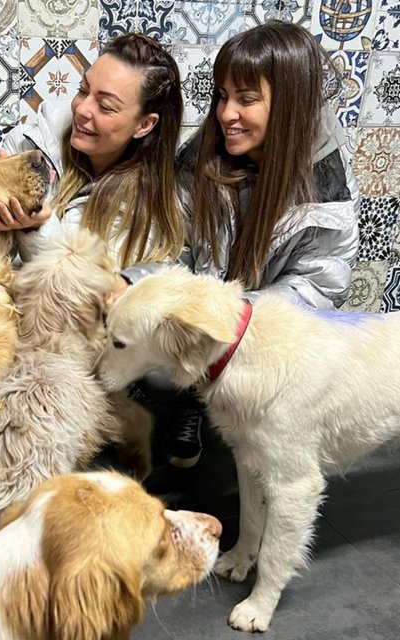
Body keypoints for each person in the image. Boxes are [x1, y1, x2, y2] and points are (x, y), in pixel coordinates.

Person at [145, 21, 360, 476]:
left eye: (246, 99)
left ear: (290, 104)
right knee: (151, 365)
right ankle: (193, 403)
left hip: (270, 339)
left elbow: (320, 283)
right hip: (205, 321)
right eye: (222, 96)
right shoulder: (199, 158)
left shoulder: (327, 180)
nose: (226, 114)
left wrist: (236, 319)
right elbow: (171, 247)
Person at [0, 32, 184, 282]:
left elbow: (89, 291)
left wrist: (38, 227)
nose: (82, 109)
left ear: (144, 125)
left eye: (105, 106)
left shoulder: (146, 213)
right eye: (83, 90)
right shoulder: (28, 143)